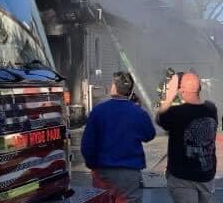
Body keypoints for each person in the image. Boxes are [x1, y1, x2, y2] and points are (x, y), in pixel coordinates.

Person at [81, 71, 156, 202]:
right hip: (129, 173)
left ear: (115, 87)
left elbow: (87, 144)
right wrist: (139, 108)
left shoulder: (98, 111)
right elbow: (149, 135)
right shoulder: (138, 112)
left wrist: (92, 164)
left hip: (102, 171)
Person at [156, 72, 218, 203]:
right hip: (206, 174)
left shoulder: (176, 113)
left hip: (182, 178)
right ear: (199, 88)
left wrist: (169, 96)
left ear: (181, 90)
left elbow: (159, 118)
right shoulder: (211, 109)